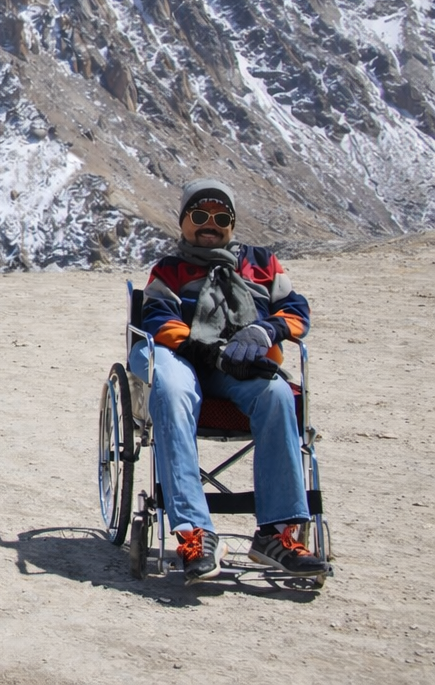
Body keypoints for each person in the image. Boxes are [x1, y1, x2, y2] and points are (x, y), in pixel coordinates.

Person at [133, 178, 330, 583]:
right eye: (200, 215)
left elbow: (296, 311)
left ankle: (276, 535)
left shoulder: (264, 264)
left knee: (276, 393)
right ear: (184, 221)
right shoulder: (168, 271)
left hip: (244, 367)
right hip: (188, 360)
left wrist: (266, 332)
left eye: (221, 217)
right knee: (169, 390)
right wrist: (208, 351)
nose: (211, 224)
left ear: (233, 223)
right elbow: (157, 319)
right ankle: (195, 533)